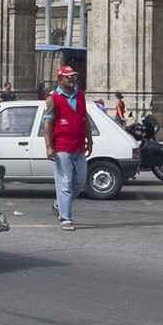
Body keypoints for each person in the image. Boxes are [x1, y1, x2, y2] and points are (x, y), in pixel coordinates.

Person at [42, 65, 93, 231]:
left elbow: (85, 119)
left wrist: (90, 140)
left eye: (74, 77)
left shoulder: (80, 96)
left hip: (78, 146)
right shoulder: (53, 99)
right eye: (68, 77)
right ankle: (66, 218)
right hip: (62, 147)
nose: (72, 80)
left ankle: (59, 204)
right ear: (60, 79)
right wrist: (49, 147)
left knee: (80, 180)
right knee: (64, 183)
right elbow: (47, 125)